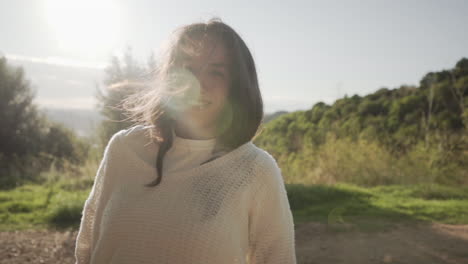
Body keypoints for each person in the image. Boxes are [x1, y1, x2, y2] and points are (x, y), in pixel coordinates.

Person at [74, 18, 297, 264]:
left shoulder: (254, 170)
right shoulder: (124, 149)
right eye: (188, 68)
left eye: (216, 71)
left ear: (237, 87)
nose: (197, 84)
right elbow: (87, 248)